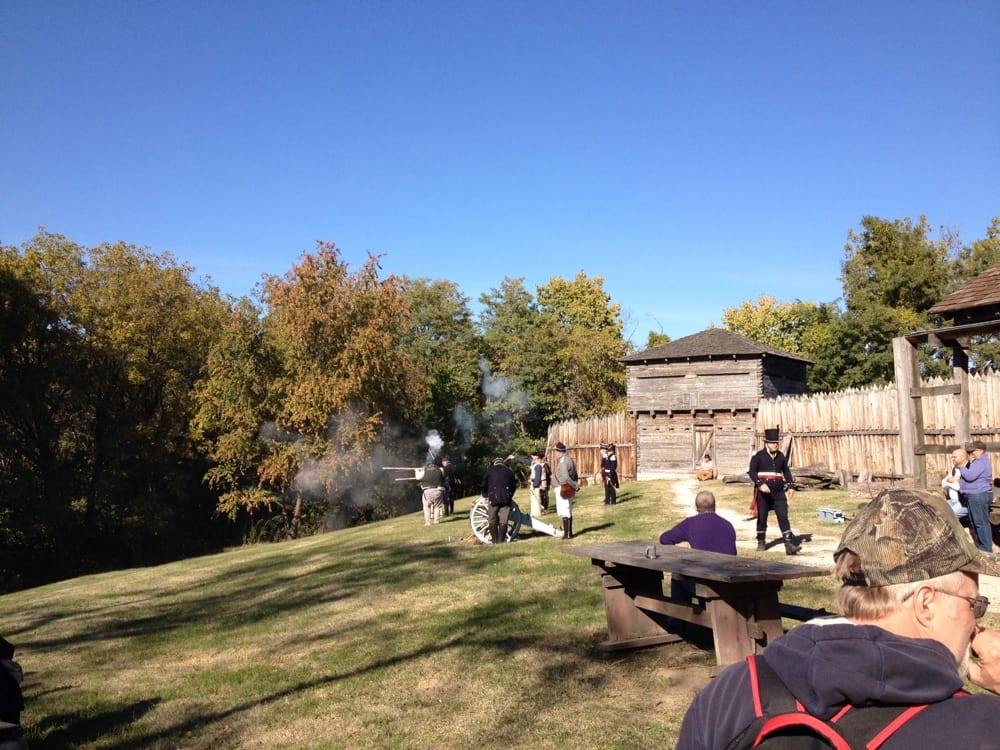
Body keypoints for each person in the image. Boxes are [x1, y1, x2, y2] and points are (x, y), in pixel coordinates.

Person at [677, 488, 1000, 750]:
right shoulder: (980, 726)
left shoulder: (731, 689)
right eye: (975, 604)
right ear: (926, 603)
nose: (975, 625)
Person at [659, 490, 736, 630]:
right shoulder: (728, 525)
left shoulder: (691, 524)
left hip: (706, 581)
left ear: (696, 507)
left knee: (678, 576)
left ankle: (677, 623)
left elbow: (665, 539)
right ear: (715, 506)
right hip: (729, 579)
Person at [748, 427, 800, 555]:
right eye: (773, 443)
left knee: (783, 515)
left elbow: (786, 471)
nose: (775, 445)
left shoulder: (781, 456)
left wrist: (791, 486)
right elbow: (752, 472)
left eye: (777, 443)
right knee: (762, 517)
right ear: (766, 443)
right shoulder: (758, 456)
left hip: (778, 492)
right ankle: (761, 541)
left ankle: (789, 545)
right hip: (763, 493)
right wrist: (760, 484)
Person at [960, 440, 995, 553]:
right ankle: (982, 546)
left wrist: (962, 467)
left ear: (980, 451)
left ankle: (985, 548)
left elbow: (970, 476)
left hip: (978, 495)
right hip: (975, 495)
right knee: (977, 522)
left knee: (980, 522)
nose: (971, 453)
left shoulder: (981, 462)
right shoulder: (978, 461)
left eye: (973, 451)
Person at [481, 457, 516, 544]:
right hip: (506, 498)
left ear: (495, 463)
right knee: (503, 520)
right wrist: (510, 495)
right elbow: (513, 485)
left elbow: (484, 483)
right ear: (502, 463)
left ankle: (494, 540)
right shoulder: (509, 471)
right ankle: (501, 541)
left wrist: (485, 494)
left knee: (492, 519)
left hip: (493, 498)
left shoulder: (490, 470)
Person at [553, 442, 579, 539]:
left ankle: (567, 534)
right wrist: (575, 484)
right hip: (567, 487)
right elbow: (575, 475)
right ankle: (568, 533)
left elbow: (566, 477)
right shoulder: (570, 460)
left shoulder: (563, 461)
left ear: (559, 452)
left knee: (565, 510)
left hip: (563, 487)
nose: (555, 454)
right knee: (568, 509)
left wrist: (575, 485)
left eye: (556, 451)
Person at [942, 450, 968, 524]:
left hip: (963, 502)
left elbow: (960, 487)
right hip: (952, 500)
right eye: (952, 457)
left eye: (954, 457)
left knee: (948, 516)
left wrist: (950, 482)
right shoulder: (955, 469)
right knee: (937, 511)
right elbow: (943, 483)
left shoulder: (969, 468)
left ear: (962, 457)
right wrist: (951, 481)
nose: (952, 459)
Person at [419, 460, 446, 526]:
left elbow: (418, 478)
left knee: (426, 507)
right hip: (438, 490)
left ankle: (428, 522)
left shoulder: (424, 471)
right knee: (437, 507)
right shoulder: (440, 470)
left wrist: (418, 471)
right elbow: (443, 477)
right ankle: (436, 521)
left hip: (427, 491)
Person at [528, 452, 547, 517]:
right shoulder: (536, 465)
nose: (532, 458)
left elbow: (537, 478)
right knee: (534, 500)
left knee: (536, 500)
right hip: (534, 484)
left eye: (534, 456)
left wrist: (534, 485)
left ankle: (537, 513)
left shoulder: (538, 466)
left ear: (537, 457)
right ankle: (534, 513)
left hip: (536, 486)